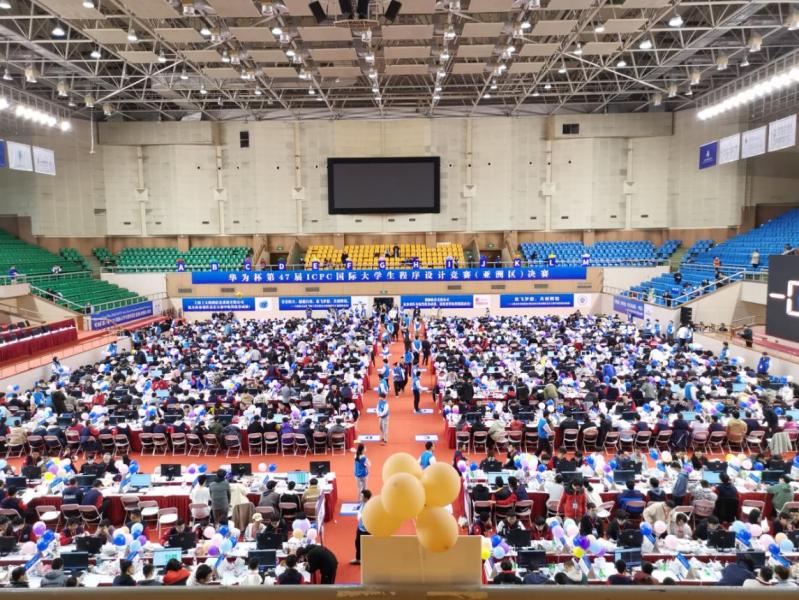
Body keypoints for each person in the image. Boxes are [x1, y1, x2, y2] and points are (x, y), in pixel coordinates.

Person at [351, 489, 371, 565]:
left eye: (362, 496)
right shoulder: (363, 503)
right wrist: (357, 508)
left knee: (366, 546)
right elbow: (360, 506)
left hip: (366, 530)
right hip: (360, 527)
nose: (360, 497)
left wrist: (361, 517)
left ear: (366, 498)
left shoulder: (369, 507)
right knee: (357, 543)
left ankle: (368, 561)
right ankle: (358, 559)